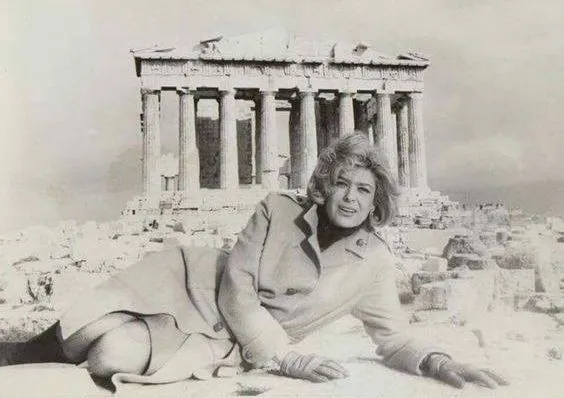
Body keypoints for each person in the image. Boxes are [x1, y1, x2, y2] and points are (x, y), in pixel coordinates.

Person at [0, 133, 508, 389]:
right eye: (342, 184)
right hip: (195, 284)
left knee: (111, 356)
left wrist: (437, 361)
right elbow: (237, 288)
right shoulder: (276, 210)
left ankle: (59, 348)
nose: (350, 198)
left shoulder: (372, 260)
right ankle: (21, 351)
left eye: (364, 191)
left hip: (227, 340)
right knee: (86, 325)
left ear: (377, 202)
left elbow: (391, 334)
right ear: (324, 186)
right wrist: (285, 357)